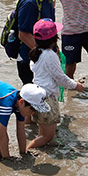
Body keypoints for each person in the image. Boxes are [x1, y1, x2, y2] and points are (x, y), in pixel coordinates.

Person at [25, 19, 84, 150]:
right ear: (54, 39)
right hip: (47, 99)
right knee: (47, 136)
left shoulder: (36, 53)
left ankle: (37, 150)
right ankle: (27, 151)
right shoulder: (49, 55)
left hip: (38, 95)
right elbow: (60, 77)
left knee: (43, 132)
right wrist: (75, 85)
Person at [8, 0, 64, 84]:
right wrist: (47, 57)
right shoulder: (30, 2)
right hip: (30, 61)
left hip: (43, 57)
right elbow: (23, 34)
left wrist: (56, 52)